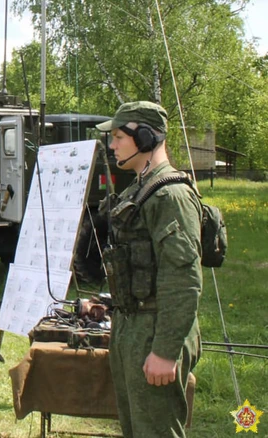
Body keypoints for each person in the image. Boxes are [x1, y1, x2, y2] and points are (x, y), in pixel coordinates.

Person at [96, 101, 202, 437]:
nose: (111, 145)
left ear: (145, 137)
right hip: (132, 325)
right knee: (135, 427)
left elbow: (183, 279)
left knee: (155, 430)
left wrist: (165, 351)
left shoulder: (169, 195)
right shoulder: (140, 189)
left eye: (117, 137)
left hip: (156, 329)